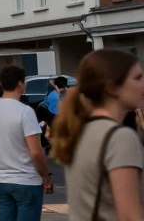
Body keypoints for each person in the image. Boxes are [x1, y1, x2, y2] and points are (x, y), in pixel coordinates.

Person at [52, 49, 144, 221]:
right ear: (112, 87)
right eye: (138, 78)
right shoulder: (120, 137)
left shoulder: (78, 130)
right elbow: (130, 216)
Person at [0, 66, 53, 221]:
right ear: (21, 84)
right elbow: (35, 150)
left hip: (0, 179)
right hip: (26, 180)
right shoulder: (25, 111)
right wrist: (45, 174)